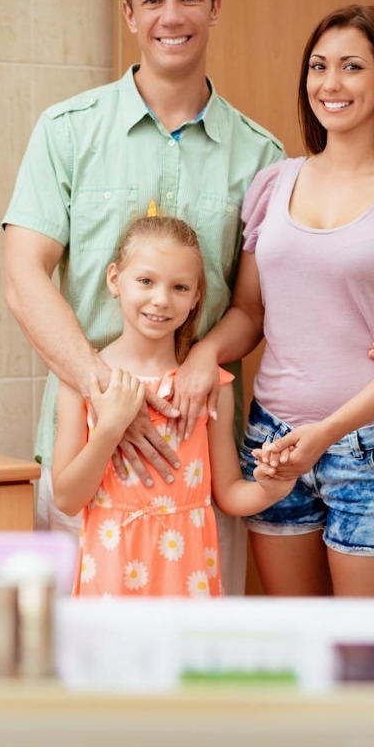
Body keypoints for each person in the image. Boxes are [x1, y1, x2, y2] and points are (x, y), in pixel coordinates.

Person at [1, 0, 374, 591]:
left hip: (200, 462)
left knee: (196, 666)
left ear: (215, 6)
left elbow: (268, 302)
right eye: (153, 0)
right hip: (86, 456)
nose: (172, 16)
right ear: (130, 14)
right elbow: (24, 280)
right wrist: (109, 395)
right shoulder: (66, 130)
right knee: (83, 670)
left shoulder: (262, 158)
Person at [185, 5, 374, 598]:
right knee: (299, 646)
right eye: (319, 66)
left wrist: (326, 432)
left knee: (366, 660)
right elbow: (249, 313)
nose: (330, 84)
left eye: (352, 67)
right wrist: (201, 356)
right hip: (274, 444)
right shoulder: (273, 184)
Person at [51, 214, 294, 597]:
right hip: (111, 574)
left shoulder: (211, 386)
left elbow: (229, 494)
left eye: (180, 287)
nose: (161, 299)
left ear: (197, 296)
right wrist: (111, 427)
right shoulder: (83, 382)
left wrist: (273, 488)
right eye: (145, 281)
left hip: (187, 574)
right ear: (115, 279)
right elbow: (66, 498)